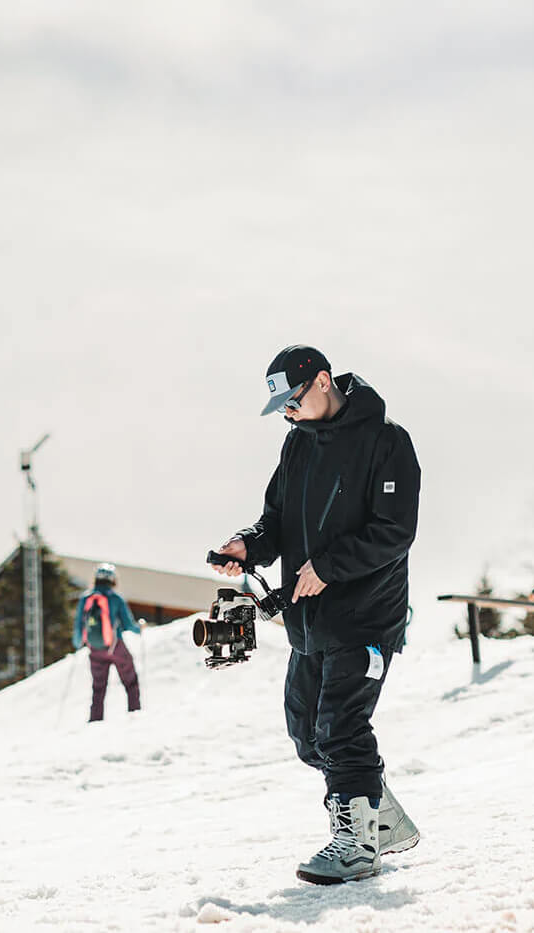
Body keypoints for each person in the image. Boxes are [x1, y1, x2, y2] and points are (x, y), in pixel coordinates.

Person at [211, 345, 422, 884]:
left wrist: (328, 567)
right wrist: (248, 545)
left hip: (366, 615)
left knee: (340, 729)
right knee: (307, 734)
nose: (288, 412)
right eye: (281, 407)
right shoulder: (297, 445)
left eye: (293, 401)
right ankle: (380, 821)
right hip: (309, 619)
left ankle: (357, 848)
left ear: (323, 382)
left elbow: (394, 532)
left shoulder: (387, 441)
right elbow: (276, 520)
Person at [73, 563, 142, 722]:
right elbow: (128, 625)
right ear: (113, 580)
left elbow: (79, 624)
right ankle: (135, 716)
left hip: (95, 649)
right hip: (115, 647)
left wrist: (78, 643)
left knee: (98, 688)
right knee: (131, 682)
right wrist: (140, 628)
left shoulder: (86, 598)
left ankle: (95, 721)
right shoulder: (116, 598)